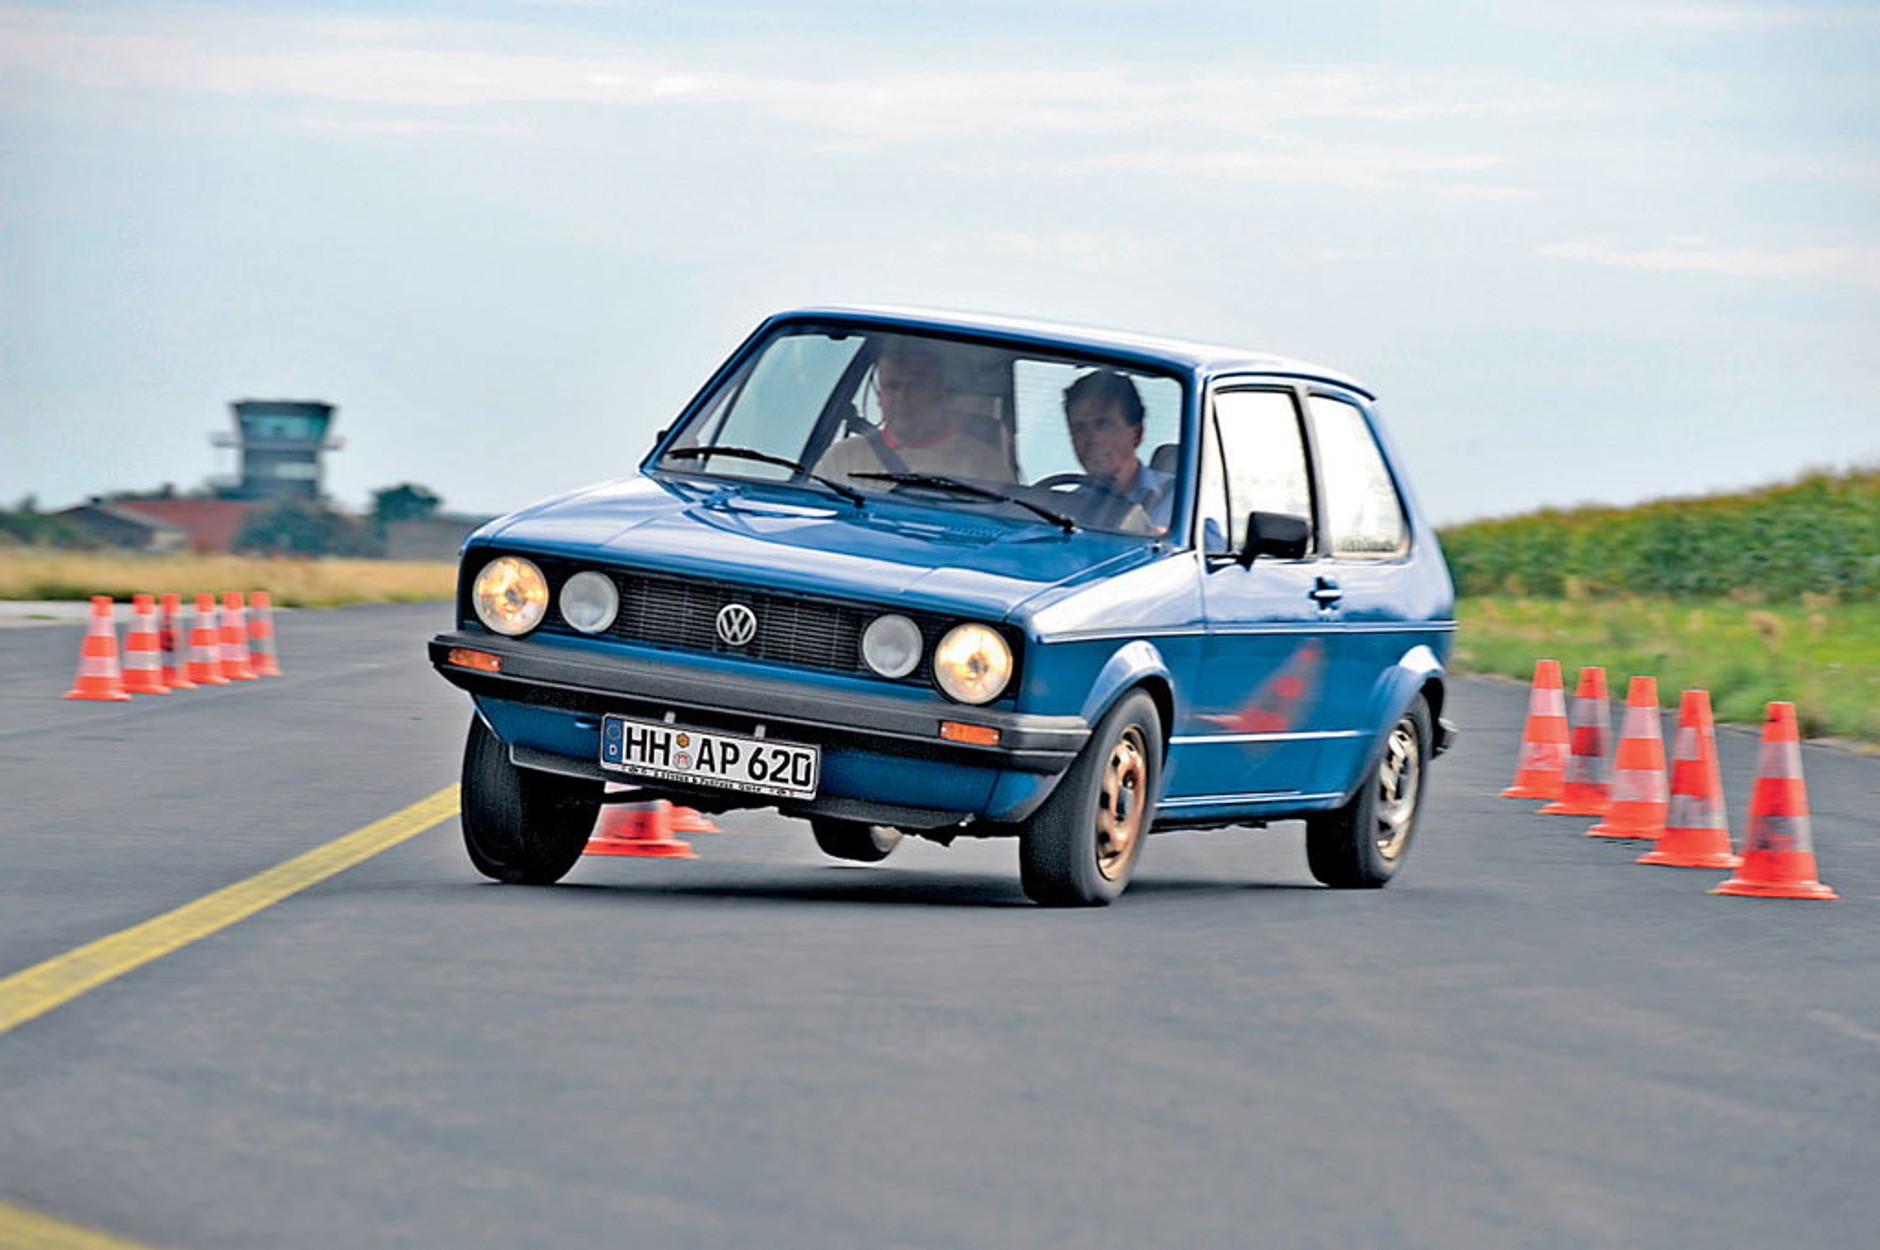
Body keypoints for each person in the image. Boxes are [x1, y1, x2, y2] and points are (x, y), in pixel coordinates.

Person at [816, 338, 1013, 484]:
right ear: (879, 397)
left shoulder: (983, 465)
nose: (902, 396)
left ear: (938, 394)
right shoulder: (842, 457)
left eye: (915, 386)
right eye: (892, 386)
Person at [1062, 369, 1173, 530]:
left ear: (1137, 434)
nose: (1093, 439)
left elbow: (1214, 549)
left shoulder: (1180, 500)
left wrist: (1163, 541)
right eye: (1079, 429)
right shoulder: (1064, 509)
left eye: (1105, 425)